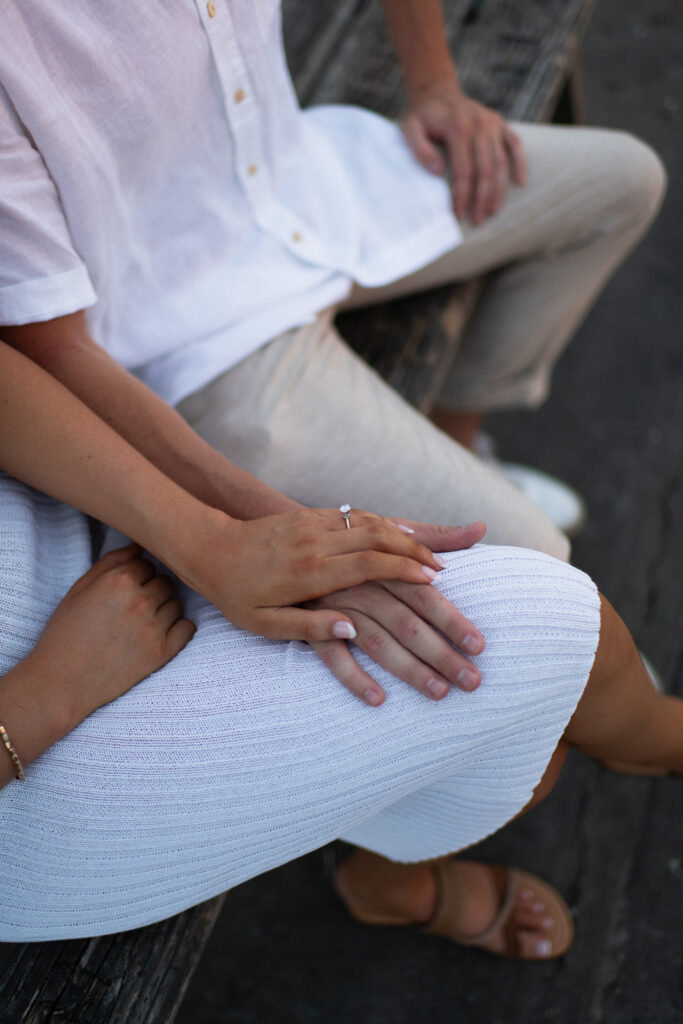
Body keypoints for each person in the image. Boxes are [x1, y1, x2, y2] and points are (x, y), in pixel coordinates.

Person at [1, 341, 682, 959]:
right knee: (531, 635)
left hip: (70, 510)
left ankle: (384, 876)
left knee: (518, 725)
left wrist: (204, 536)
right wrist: (51, 690)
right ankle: (651, 745)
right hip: (33, 743)